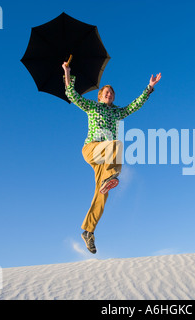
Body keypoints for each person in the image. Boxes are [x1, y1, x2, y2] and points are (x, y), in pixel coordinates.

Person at [62, 57, 161, 253]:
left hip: (105, 160)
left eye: (112, 93)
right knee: (115, 144)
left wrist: (149, 88)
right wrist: (67, 72)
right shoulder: (92, 106)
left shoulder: (117, 112)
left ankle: (88, 231)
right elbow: (71, 95)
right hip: (92, 149)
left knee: (102, 194)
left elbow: (134, 106)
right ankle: (112, 176)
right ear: (99, 96)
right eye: (106, 92)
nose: (109, 94)